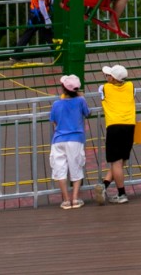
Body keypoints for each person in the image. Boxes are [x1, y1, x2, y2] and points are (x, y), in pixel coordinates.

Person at [49, 73, 90, 210]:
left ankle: (66, 200)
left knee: (60, 169)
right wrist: (80, 96)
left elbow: (54, 121)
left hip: (58, 139)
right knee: (76, 167)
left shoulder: (56, 104)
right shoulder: (80, 101)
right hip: (76, 139)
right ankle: (75, 199)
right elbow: (87, 113)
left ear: (63, 88)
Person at [98, 63, 134, 204]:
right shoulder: (131, 86)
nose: (106, 77)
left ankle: (122, 194)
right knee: (120, 161)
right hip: (129, 125)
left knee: (116, 162)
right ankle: (104, 185)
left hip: (114, 125)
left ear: (112, 78)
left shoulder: (104, 88)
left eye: (108, 75)